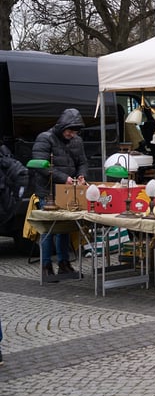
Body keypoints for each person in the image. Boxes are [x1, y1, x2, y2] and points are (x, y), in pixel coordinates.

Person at [31, 108, 89, 280]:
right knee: (48, 229)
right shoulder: (45, 138)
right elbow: (40, 166)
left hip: (67, 191)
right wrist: (64, 178)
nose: (72, 134)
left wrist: (82, 175)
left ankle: (64, 264)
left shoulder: (77, 141)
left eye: (75, 131)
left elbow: (83, 162)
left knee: (64, 228)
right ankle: (46, 265)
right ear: (62, 126)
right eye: (69, 131)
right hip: (48, 191)